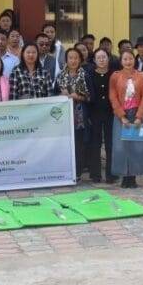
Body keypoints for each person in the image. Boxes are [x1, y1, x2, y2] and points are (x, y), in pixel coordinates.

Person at [109, 50, 143, 188]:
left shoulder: (142, 76)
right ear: (121, 61)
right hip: (121, 115)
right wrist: (121, 116)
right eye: (125, 59)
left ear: (135, 60)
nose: (128, 61)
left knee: (136, 146)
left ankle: (133, 176)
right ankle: (124, 176)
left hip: (137, 112)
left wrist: (139, 116)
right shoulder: (115, 76)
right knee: (121, 146)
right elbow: (113, 96)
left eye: (131, 59)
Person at [56, 47, 90, 178]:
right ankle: (66, 171)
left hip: (80, 116)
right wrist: (61, 94)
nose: (73, 60)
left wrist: (78, 97)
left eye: (76, 57)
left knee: (79, 145)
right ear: (66, 60)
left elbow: (90, 97)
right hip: (63, 116)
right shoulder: (60, 76)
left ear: (80, 59)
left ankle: (78, 172)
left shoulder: (85, 75)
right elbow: (53, 95)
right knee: (66, 144)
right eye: (70, 57)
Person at [87, 48, 115, 183]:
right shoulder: (89, 75)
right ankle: (96, 174)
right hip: (95, 113)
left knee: (110, 144)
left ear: (108, 58)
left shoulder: (114, 75)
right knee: (95, 144)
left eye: (104, 57)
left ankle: (111, 174)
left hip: (111, 113)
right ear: (94, 60)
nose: (102, 60)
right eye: (99, 58)